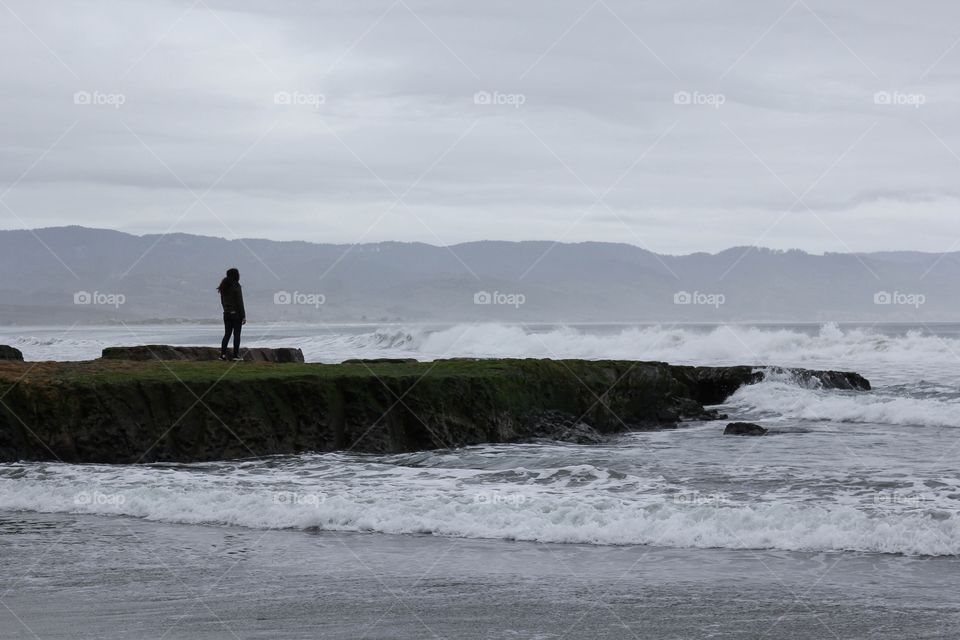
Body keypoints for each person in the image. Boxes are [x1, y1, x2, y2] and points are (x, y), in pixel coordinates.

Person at [217, 268, 246, 361]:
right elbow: (240, 302)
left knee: (227, 334)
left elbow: (222, 302)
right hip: (236, 314)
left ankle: (222, 355)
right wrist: (243, 316)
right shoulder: (236, 286)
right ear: (236, 275)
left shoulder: (223, 286)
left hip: (226, 313)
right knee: (236, 334)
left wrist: (226, 310)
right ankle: (235, 355)